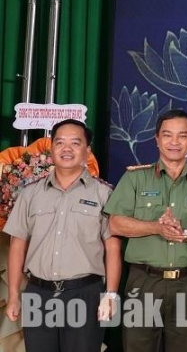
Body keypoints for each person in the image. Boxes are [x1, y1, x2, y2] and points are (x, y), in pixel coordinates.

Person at [103, 109, 187, 352]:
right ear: (157, 140)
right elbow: (116, 223)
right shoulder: (135, 178)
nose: (174, 142)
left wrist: (185, 234)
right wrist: (156, 227)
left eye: (182, 136)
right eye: (167, 135)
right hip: (144, 282)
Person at [3, 119, 121, 352]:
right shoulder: (30, 193)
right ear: (51, 148)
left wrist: (111, 294)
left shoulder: (104, 194)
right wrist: (14, 295)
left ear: (87, 150)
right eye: (60, 142)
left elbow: (113, 247)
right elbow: (17, 245)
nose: (67, 149)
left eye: (75, 143)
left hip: (85, 294)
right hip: (39, 293)